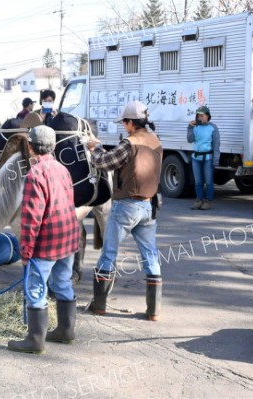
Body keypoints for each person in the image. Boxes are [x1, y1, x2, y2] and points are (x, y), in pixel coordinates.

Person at [87, 100, 163, 321]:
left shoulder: (129, 143)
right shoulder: (156, 141)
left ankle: (99, 305)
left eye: (124, 123)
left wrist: (95, 147)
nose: (123, 126)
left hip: (126, 206)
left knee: (108, 254)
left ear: (130, 122)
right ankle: (153, 311)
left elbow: (103, 162)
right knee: (150, 256)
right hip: (148, 206)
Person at [7, 125, 79, 355]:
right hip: (68, 239)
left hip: (46, 244)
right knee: (63, 282)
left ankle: (35, 340)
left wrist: (25, 253)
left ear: (29, 147)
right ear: (54, 146)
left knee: (36, 289)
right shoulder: (63, 169)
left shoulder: (34, 175)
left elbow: (31, 220)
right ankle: (66, 331)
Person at [187, 106, 220, 210]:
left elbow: (216, 145)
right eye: (198, 116)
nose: (199, 118)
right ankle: (198, 200)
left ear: (208, 116)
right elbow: (190, 140)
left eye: (202, 115)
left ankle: (208, 201)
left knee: (209, 181)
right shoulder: (195, 127)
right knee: (198, 181)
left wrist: (216, 160)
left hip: (208, 158)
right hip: (196, 157)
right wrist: (189, 127)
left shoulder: (213, 127)